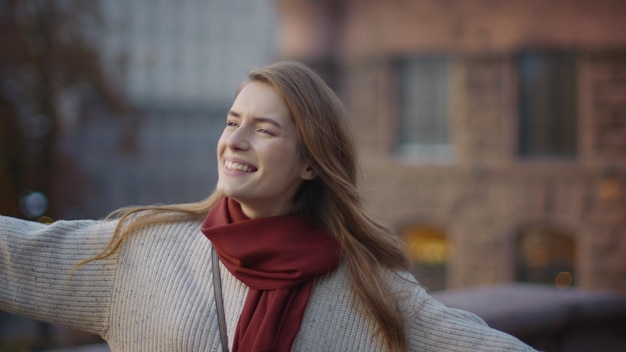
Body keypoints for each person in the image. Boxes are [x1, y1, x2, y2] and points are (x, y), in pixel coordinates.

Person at [0, 61, 537, 352]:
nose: (234, 140)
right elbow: (16, 256)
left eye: (263, 129)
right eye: (232, 122)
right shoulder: (141, 249)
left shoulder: (373, 289)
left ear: (310, 163)